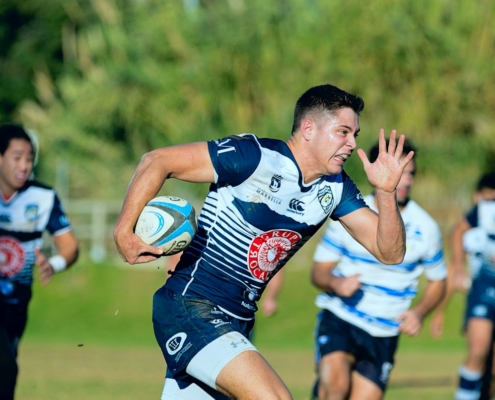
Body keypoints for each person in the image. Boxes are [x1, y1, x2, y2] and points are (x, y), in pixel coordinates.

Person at [113, 83, 414, 400]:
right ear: (308, 128)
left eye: (355, 134)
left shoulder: (335, 189)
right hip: (191, 306)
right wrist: (124, 231)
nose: (352, 143)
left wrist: (386, 191)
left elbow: (390, 252)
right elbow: (157, 160)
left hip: (238, 320)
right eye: (343, 132)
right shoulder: (254, 157)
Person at [310, 139, 447, 400]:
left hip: (384, 330)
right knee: (335, 389)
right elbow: (318, 273)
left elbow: (438, 280)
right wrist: (336, 284)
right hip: (342, 317)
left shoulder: (426, 227)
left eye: (410, 173)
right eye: (400, 171)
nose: (404, 180)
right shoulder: (350, 213)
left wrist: (420, 311)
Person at [0, 123, 79, 400]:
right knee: (5, 368)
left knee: (7, 368)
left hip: (17, 302)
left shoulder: (43, 197)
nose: (24, 165)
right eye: (17, 157)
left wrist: (53, 264)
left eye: (30, 158)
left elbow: (70, 246)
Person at [443, 172, 495, 400]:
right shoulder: (484, 211)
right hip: (484, 287)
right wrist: (458, 265)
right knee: (478, 351)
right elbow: (457, 232)